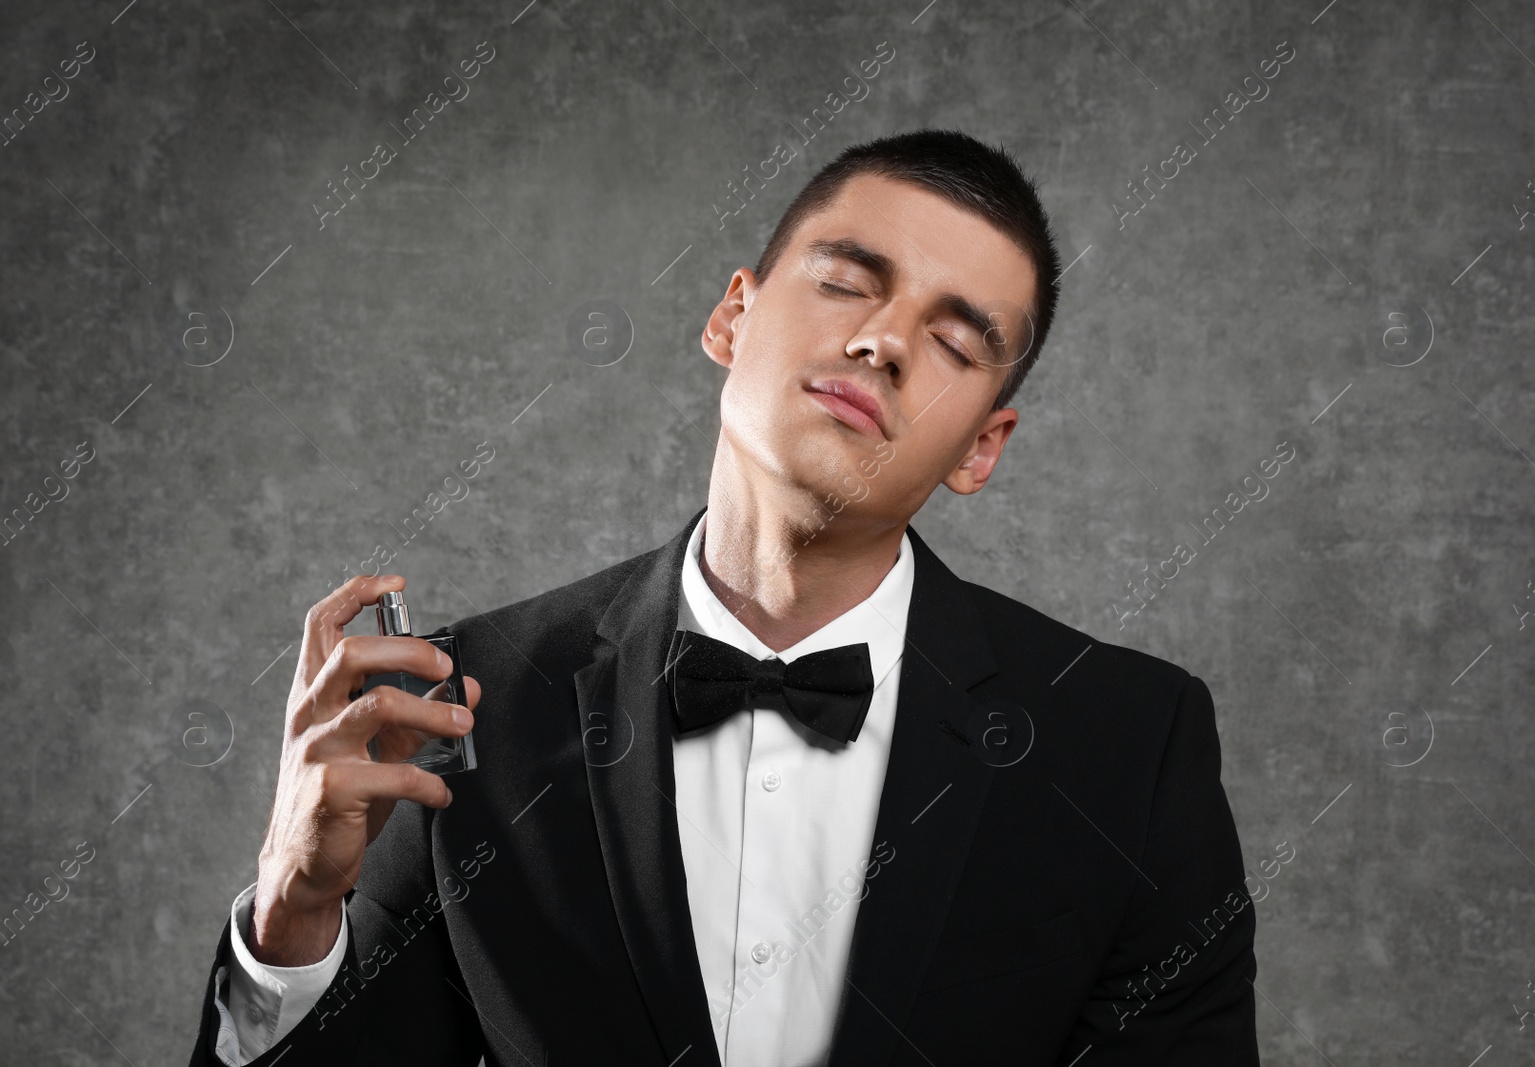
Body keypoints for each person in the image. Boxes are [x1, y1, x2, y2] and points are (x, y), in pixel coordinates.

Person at [189, 128, 1258, 1066]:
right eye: (846, 280)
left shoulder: (1128, 744)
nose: (881, 340)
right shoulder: (466, 706)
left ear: (982, 446)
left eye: (950, 341)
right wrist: (291, 913)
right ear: (731, 317)